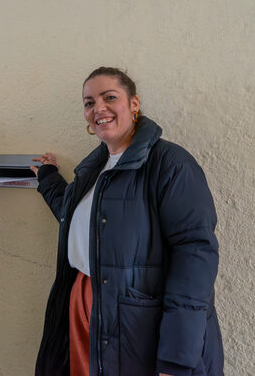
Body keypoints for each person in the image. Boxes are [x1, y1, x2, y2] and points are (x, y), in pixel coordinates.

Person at [31, 67, 223, 376]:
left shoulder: (171, 164)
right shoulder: (94, 169)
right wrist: (48, 179)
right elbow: (77, 222)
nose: (99, 109)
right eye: (89, 102)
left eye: (109, 97)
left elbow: (195, 256)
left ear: (134, 104)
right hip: (84, 304)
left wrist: (177, 357)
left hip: (137, 320)